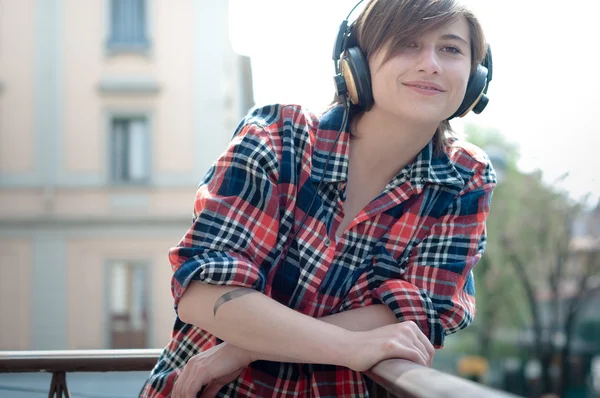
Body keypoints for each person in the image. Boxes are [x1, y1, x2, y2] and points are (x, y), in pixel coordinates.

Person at [140, 0, 496, 396]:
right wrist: (349, 345)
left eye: (450, 49)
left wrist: (241, 348)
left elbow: (413, 316)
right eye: (407, 44)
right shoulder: (279, 135)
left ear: (477, 77)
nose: (430, 63)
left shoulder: (465, 178)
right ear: (356, 61)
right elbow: (204, 291)